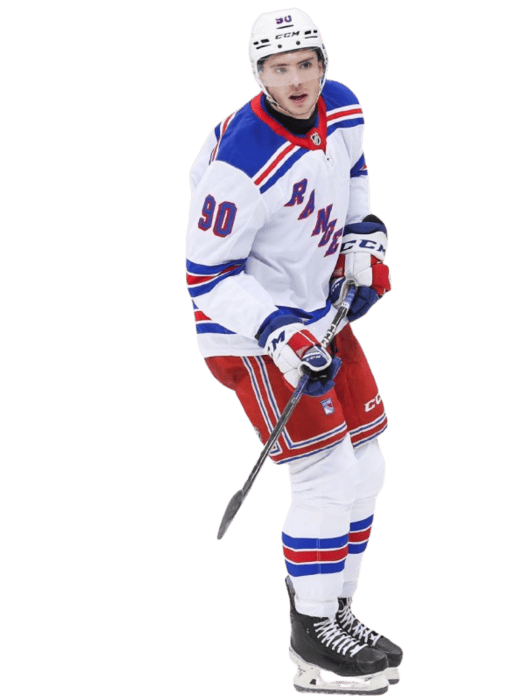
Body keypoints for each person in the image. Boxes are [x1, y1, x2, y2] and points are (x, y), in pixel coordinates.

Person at [185, 7, 402, 695]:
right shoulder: (241, 161)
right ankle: (311, 633)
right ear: (260, 74)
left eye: (306, 64)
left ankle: (337, 610)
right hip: (252, 332)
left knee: (367, 467)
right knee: (325, 477)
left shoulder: (343, 106)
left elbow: (353, 172)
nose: (297, 80)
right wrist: (280, 332)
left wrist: (361, 244)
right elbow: (206, 274)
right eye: (280, 69)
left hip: (318, 310)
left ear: (322, 63)